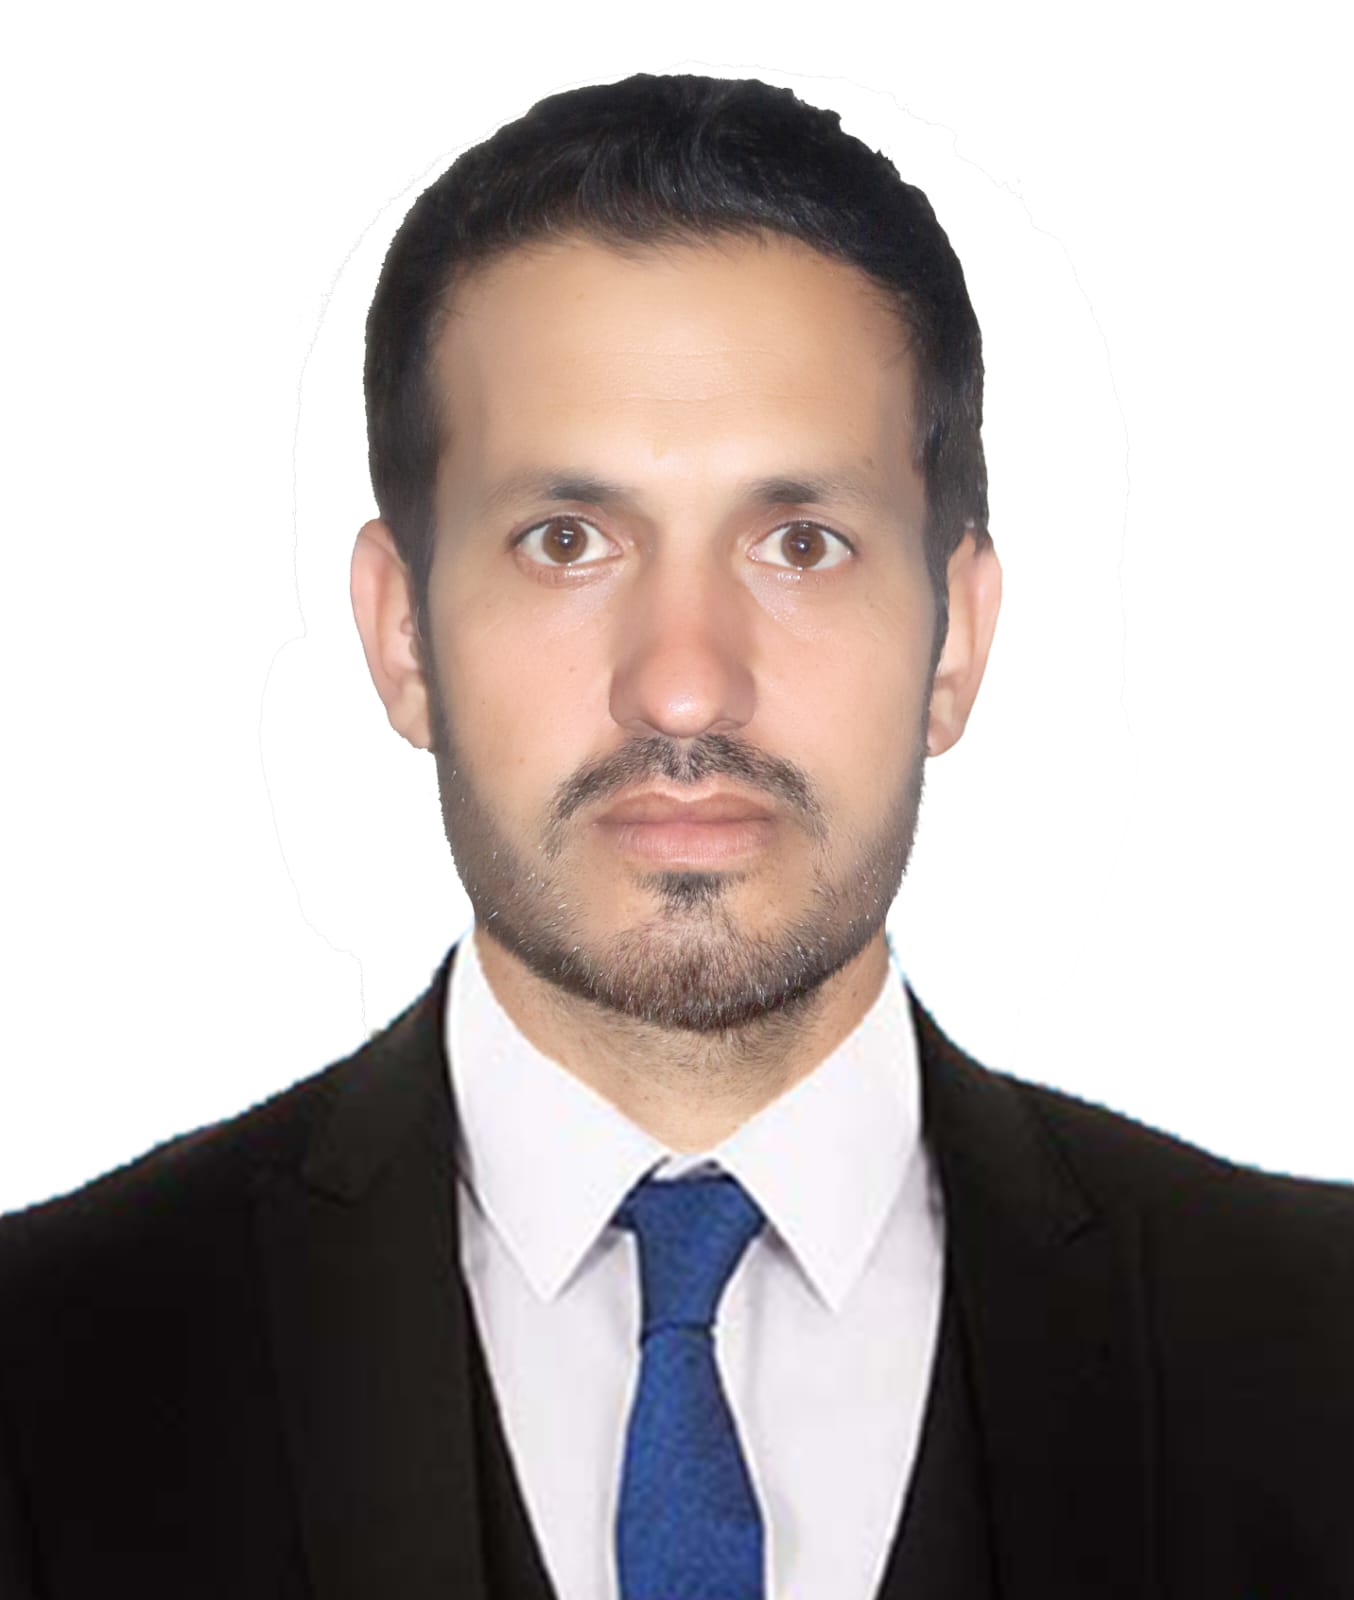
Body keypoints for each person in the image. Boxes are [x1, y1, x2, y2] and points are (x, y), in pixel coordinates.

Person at [0, 71, 1350, 1600]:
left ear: (956, 637)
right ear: (401, 632)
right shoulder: (40, 1377)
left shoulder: (1316, 1355)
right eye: (565, 541)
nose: (686, 682)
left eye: (800, 542)